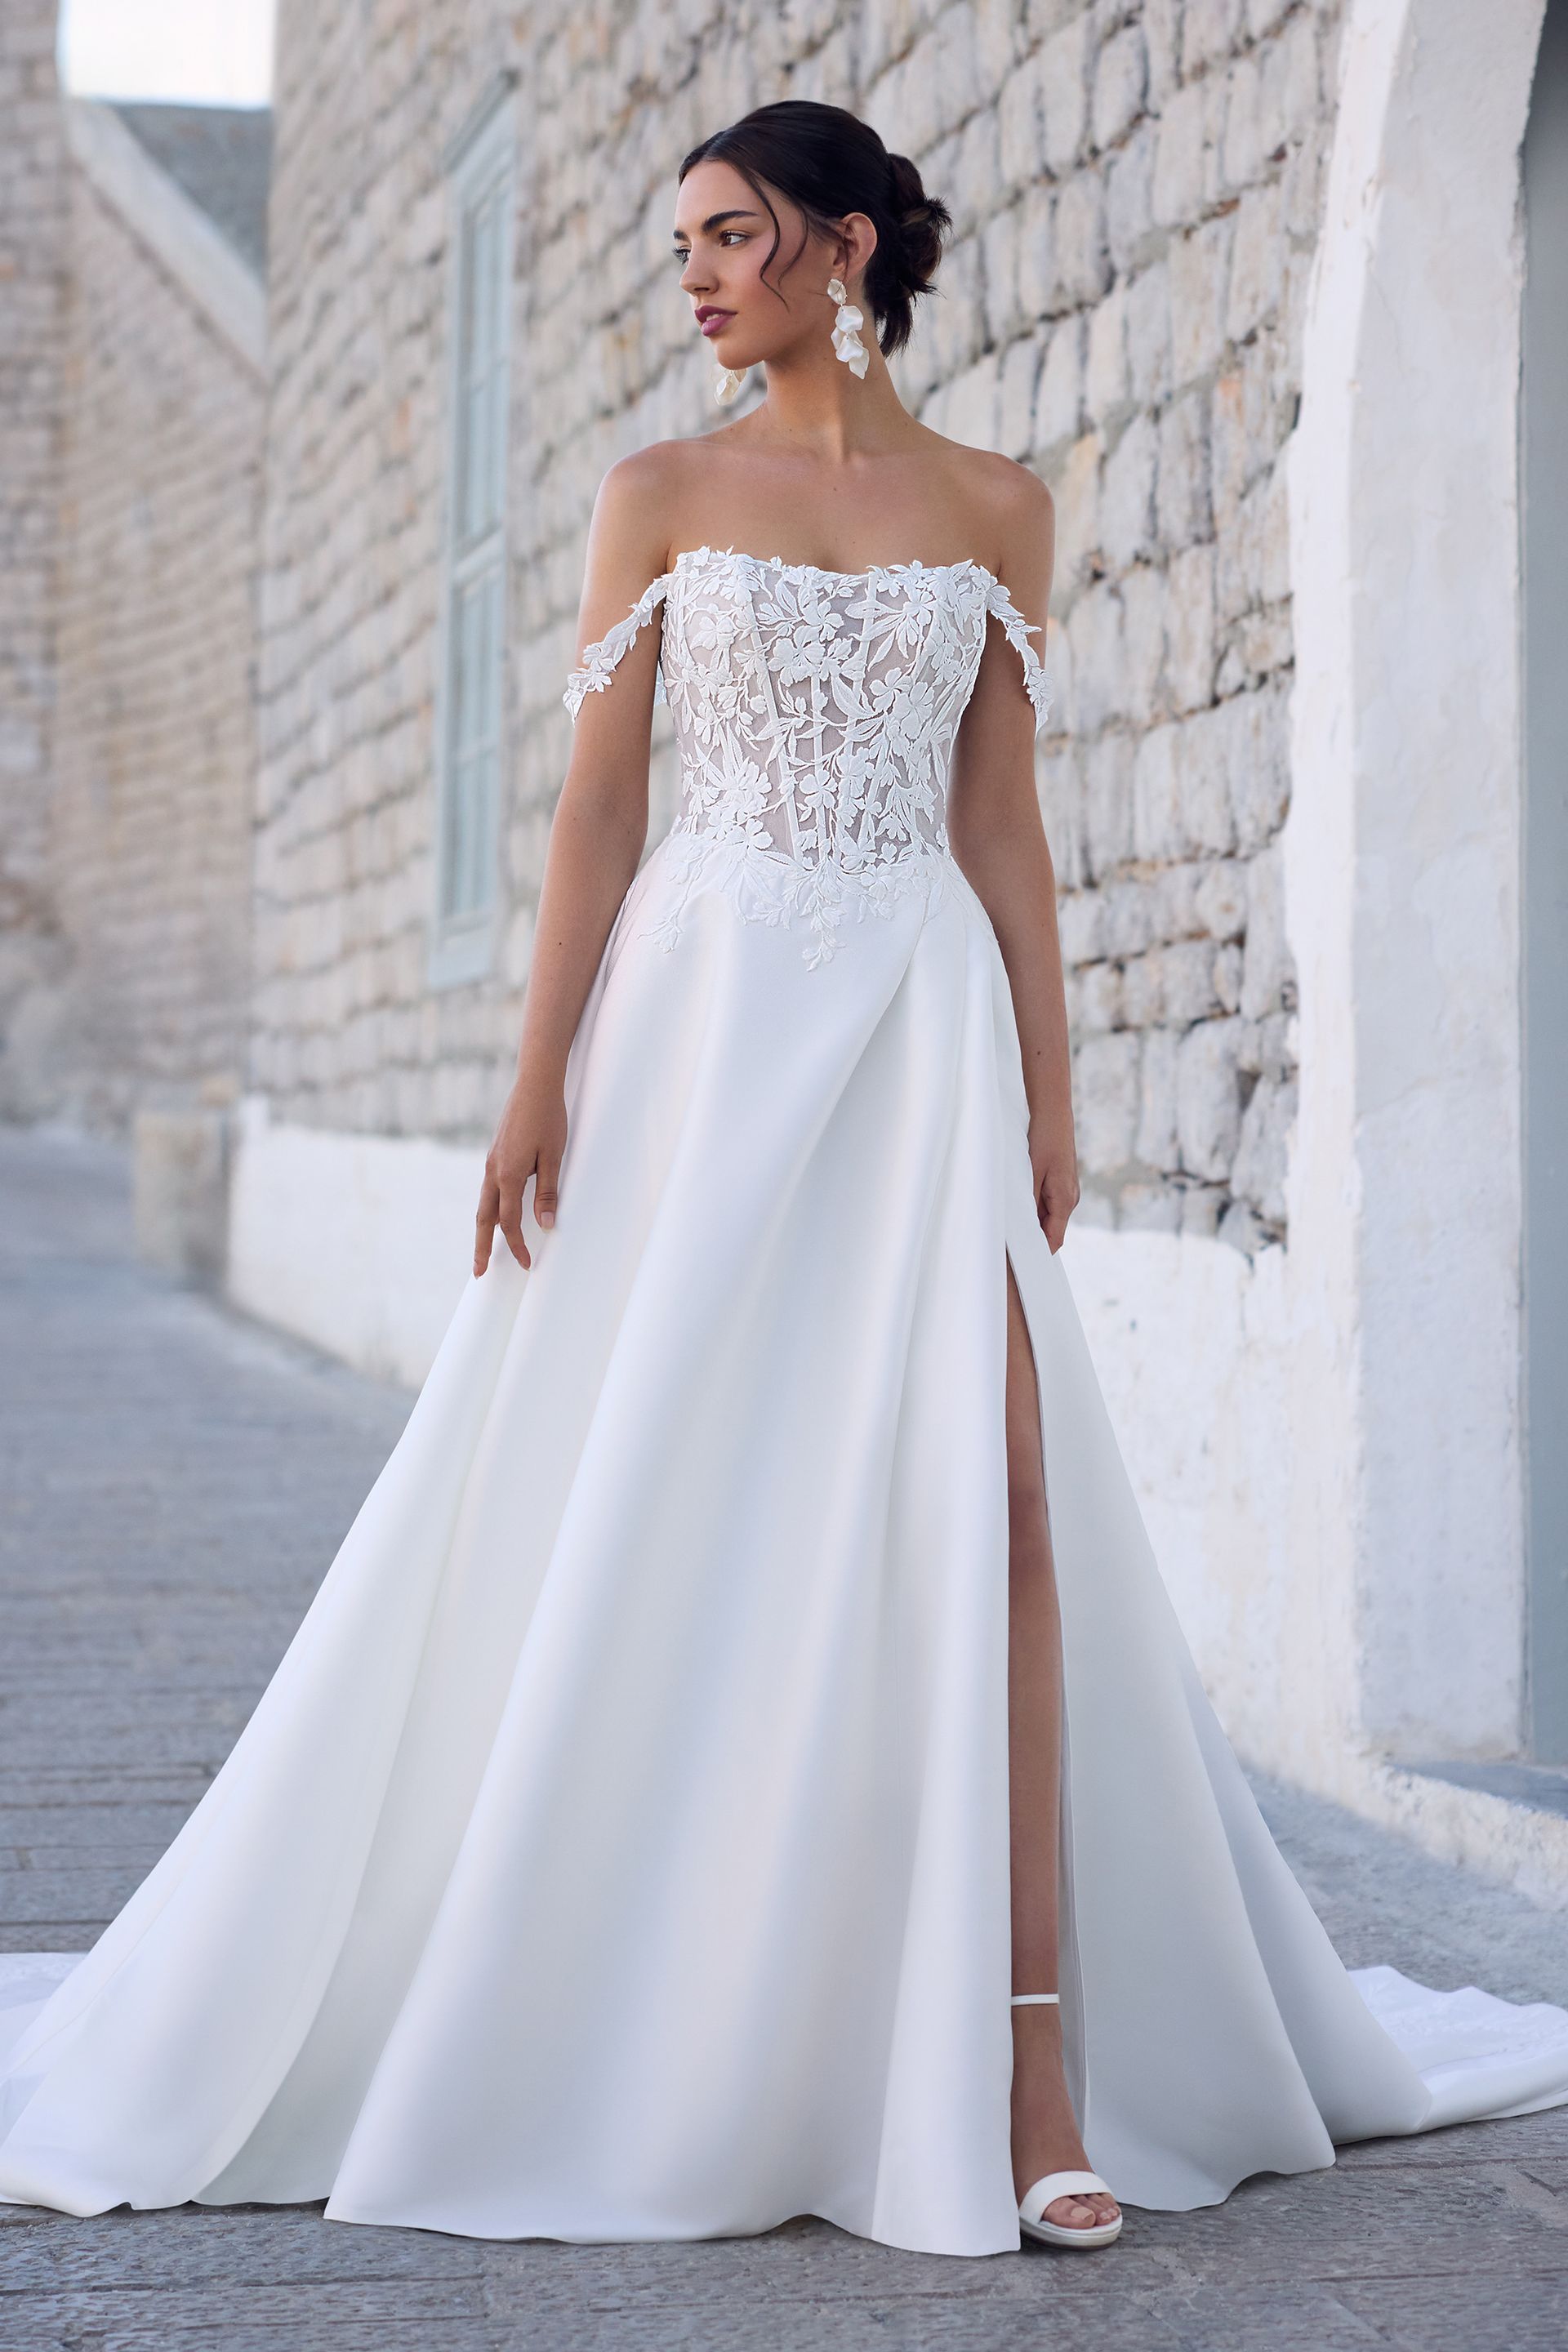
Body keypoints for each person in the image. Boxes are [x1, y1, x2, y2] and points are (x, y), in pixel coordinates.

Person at [2, 100, 1566, 2261]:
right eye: (682, 249)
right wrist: (536, 1079)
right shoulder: (658, 494)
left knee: (1002, 1497)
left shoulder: (998, 507)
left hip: (916, 1028)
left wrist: (1052, 1080)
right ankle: (676, 2008)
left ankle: (1027, 2072)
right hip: (703, 1027)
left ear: (841, 247)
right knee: (667, 1481)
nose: (699, 281)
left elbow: (999, 819)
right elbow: (597, 813)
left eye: (732, 239)